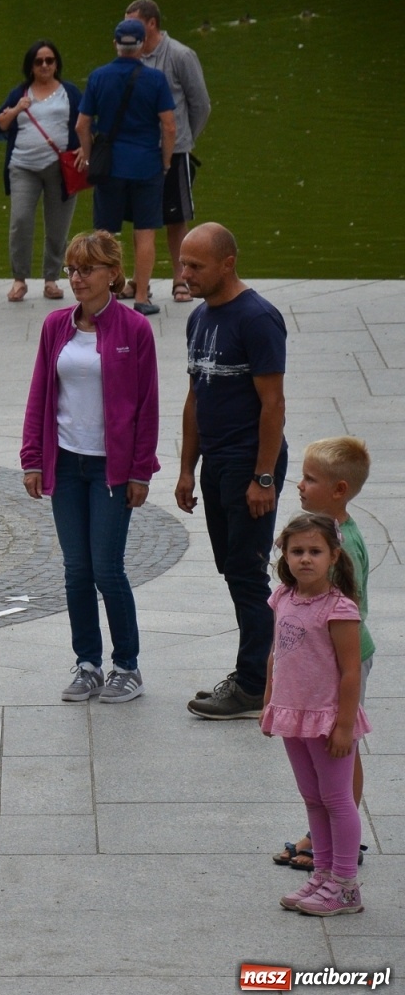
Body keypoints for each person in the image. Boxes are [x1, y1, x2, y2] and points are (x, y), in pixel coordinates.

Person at [20, 230, 160, 703]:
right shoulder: (56, 325)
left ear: (113, 274)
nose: (77, 279)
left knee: (107, 568)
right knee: (76, 569)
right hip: (67, 463)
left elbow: (147, 405)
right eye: (72, 270)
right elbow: (40, 392)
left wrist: (141, 470)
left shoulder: (134, 329)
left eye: (87, 270)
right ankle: (87, 663)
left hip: (110, 468)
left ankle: (128, 665)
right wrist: (32, 458)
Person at [175, 223, 288, 719]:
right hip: (217, 462)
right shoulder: (199, 318)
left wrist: (263, 476)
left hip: (249, 462)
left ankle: (253, 683)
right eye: (182, 263)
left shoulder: (258, 318)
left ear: (228, 264)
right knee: (234, 570)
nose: (185, 274)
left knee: (246, 572)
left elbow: (273, 405)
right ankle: (265, 671)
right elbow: (196, 396)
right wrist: (185, 467)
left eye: (196, 266)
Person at [272, 438, 374, 872]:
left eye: (310, 479)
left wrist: (345, 719)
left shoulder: (342, 544)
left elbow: (348, 619)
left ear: (340, 489)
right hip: (311, 665)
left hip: (339, 660)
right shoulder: (319, 534)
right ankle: (324, 837)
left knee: (340, 751)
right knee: (321, 770)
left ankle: (339, 844)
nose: (299, 484)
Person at [262, 514, 369, 917]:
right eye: (297, 551)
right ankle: (322, 873)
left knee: (337, 799)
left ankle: (345, 885)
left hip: (326, 718)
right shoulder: (283, 598)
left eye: (315, 551)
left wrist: (344, 726)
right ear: (285, 556)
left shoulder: (339, 608)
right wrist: (270, 701)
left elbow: (351, 670)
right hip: (293, 714)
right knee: (312, 797)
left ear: (333, 556)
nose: (305, 559)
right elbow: (277, 653)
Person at [75, 19, 176, 315]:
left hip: (110, 167)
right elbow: (169, 126)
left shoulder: (98, 77)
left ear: (115, 44)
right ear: (143, 44)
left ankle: (106, 294)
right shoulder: (155, 79)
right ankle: (142, 296)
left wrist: (89, 154)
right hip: (146, 165)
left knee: (105, 234)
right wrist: (166, 162)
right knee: (145, 232)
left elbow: (82, 124)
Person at [126, 0, 212, 303]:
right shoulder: (130, 55)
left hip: (175, 151)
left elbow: (200, 104)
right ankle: (139, 281)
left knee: (176, 219)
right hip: (139, 151)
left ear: (152, 23)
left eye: (135, 22)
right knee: (141, 218)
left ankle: (180, 278)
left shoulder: (180, 55)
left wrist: (185, 140)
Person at [0, 41, 82, 302]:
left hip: (60, 168)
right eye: (39, 61)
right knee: (20, 220)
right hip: (23, 166)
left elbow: (87, 122)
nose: (45, 65)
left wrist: (85, 150)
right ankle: (19, 279)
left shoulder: (70, 92)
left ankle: (52, 279)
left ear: (56, 64)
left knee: (58, 226)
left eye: (50, 60)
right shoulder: (20, 93)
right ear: (30, 66)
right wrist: (17, 108)